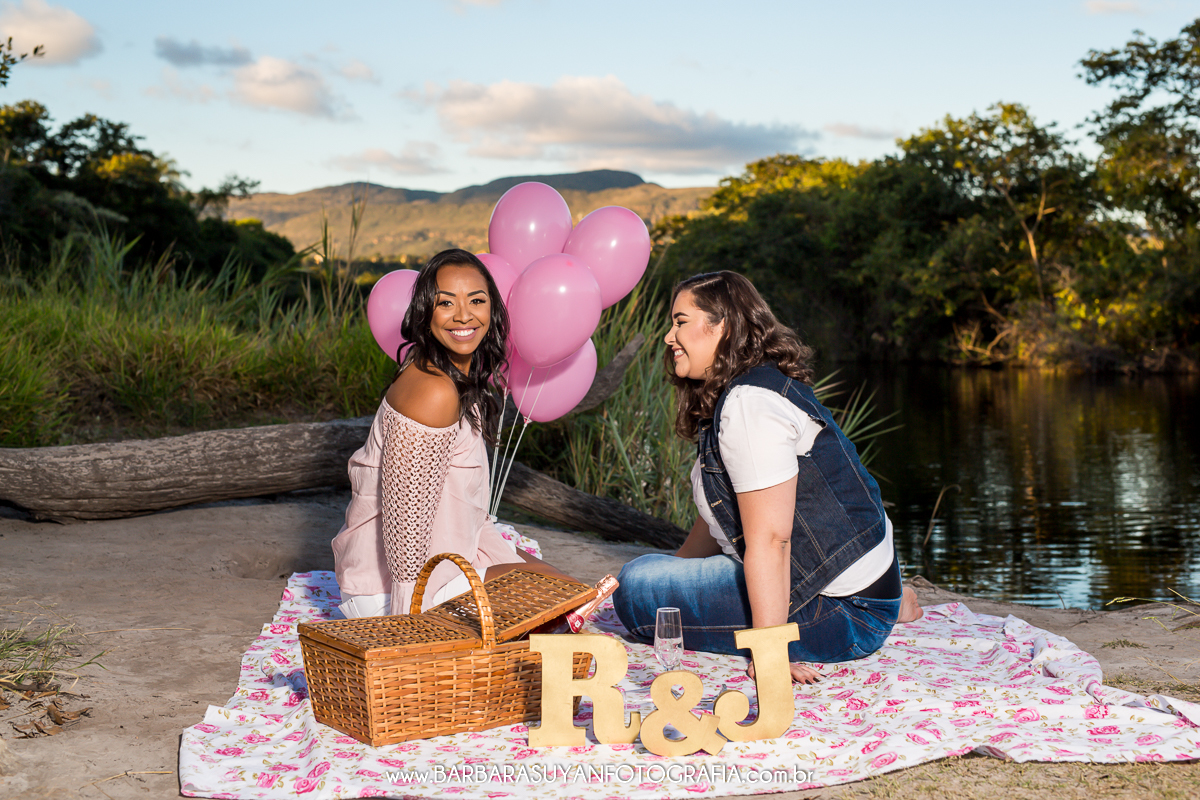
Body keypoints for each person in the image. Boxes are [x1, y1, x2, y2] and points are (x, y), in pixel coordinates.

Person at [613, 271, 922, 682]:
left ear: (722, 326)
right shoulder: (750, 387)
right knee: (655, 573)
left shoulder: (749, 405)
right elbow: (718, 515)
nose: (669, 337)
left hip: (843, 611)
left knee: (634, 589)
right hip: (857, 588)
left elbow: (773, 539)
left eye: (680, 322)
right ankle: (891, 604)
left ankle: (876, 613)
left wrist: (770, 651)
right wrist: (676, 574)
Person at [332, 248, 564, 618]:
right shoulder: (434, 391)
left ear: (492, 309)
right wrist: (408, 630)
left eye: (477, 300)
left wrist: (525, 568)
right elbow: (406, 541)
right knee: (554, 605)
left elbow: (471, 516)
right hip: (395, 596)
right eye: (446, 303)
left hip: (447, 560)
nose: (464, 315)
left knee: (567, 592)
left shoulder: (454, 379)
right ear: (426, 313)